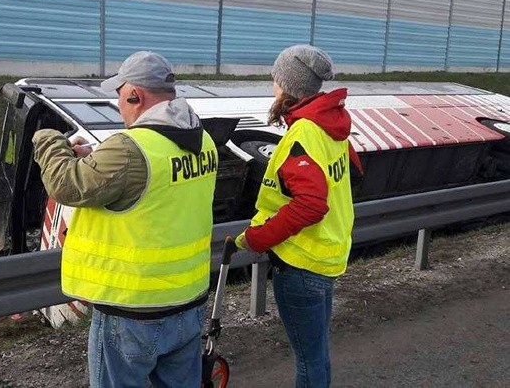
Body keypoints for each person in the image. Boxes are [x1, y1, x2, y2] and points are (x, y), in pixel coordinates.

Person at [32, 51, 218, 387]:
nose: (119, 105)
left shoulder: (130, 149)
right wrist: (97, 162)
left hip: (133, 314)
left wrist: (48, 140)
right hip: (187, 305)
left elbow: (66, 186)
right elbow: (155, 191)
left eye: (119, 96)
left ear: (135, 95)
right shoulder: (202, 140)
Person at [236, 44, 362, 387]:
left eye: (276, 79)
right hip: (327, 254)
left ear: (286, 84)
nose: (273, 85)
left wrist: (257, 238)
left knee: (310, 359)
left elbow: (310, 204)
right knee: (317, 354)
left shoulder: (304, 133)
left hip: (302, 262)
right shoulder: (328, 125)